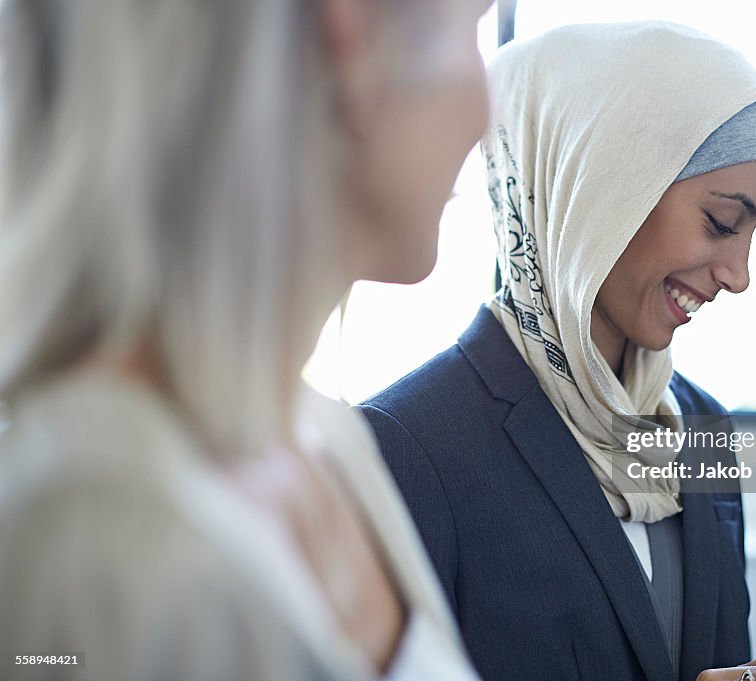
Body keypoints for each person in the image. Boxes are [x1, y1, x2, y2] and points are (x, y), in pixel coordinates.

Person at [0, 0, 492, 679]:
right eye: (474, 26)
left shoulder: (318, 432)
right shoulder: (99, 550)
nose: (486, 118)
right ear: (348, 31)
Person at [359, 21, 756, 681]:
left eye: (752, 232)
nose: (740, 272)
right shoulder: (404, 446)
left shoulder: (704, 430)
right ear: (603, 189)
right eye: (722, 222)